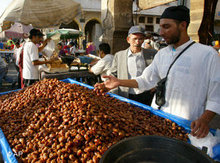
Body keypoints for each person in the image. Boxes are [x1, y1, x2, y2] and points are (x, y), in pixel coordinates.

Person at [95, 6, 220, 138]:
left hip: (188, 125)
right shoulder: (162, 55)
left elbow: (216, 94)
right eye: (160, 27)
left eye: (166, 27)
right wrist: (118, 82)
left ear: (183, 25)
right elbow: (145, 80)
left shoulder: (207, 55)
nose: (161, 32)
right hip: (159, 120)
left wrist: (205, 119)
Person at [107, 25, 157, 105]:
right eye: (135, 39)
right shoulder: (119, 56)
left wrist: (155, 85)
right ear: (128, 40)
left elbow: (158, 73)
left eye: (140, 39)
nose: (137, 42)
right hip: (126, 95)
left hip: (146, 95)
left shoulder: (152, 54)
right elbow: (113, 75)